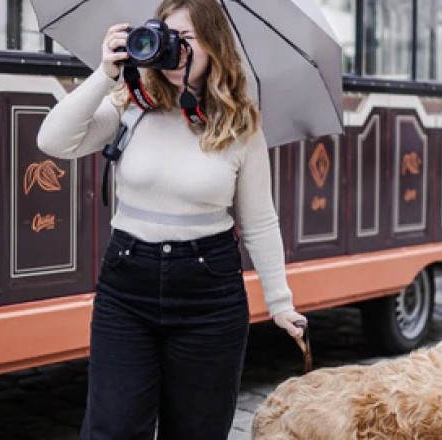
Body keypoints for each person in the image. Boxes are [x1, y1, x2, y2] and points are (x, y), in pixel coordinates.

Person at [36, 0, 307, 438]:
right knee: (112, 429)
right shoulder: (131, 102)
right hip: (127, 289)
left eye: (185, 40)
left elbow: (259, 220)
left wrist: (280, 303)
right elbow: (52, 140)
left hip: (209, 296)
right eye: (163, 35)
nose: (170, 49)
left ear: (214, 47)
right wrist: (105, 73)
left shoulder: (240, 124)